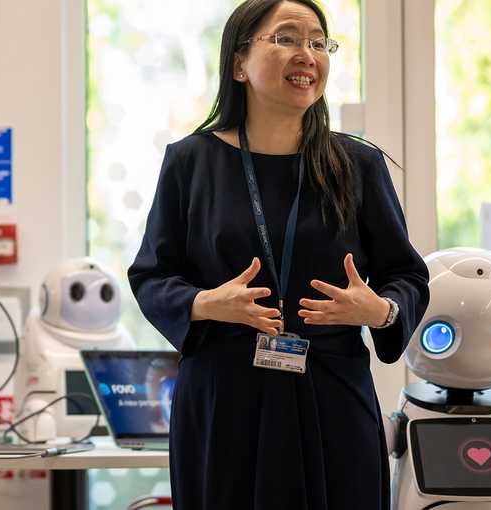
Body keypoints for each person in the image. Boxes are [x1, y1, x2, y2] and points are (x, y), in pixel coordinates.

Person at [128, 1, 430, 508]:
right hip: (224, 398)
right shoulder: (190, 161)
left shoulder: (358, 164)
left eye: (319, 42)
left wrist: (380, 310)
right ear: (239, 63)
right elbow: (151, 275)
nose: (307, 54)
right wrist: (204, 303)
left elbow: (408, 276)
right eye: (287, 38)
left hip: (331, 394)